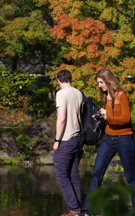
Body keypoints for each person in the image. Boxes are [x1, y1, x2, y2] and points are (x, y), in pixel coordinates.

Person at [82, 68, 135, 216]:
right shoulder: (105, 97)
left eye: (101, 82)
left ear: (108, 80)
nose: (99, 86)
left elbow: (125, 119)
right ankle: (88, 210)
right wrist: (99, 116)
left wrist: (107, 115)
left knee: (130, 177)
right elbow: (109, 117)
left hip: (124, 139)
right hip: (108, 139)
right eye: (98, 83)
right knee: (96, 173)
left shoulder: (121, 95)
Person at [53, 69, 83, 216]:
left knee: (61, 176)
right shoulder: (78, 93)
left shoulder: (61, 94)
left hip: (66, 139)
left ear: (58, 80)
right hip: (78, 138)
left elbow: (62, 118)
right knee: (73, 174)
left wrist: (57, 140)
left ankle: (74, 209)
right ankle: (77, 208)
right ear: (70, 79)